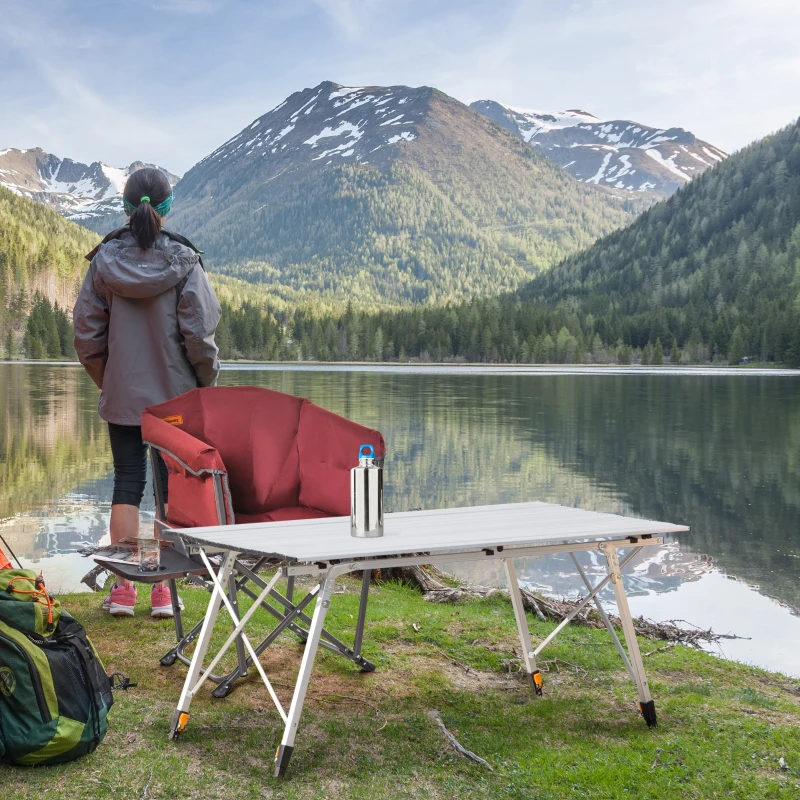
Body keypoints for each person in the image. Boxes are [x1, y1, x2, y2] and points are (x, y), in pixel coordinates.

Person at [73, 168, 221, 617]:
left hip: (123, 396)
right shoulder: (184, 261)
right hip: (175, 398)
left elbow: (86, 336)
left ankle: (123, 591)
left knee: (126, 485)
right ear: (167, 206)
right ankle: (162, 593)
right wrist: (203, 382)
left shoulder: (103, 262)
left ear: (126, 206)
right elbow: (200, 335)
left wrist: (111, 379)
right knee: (168, 490)